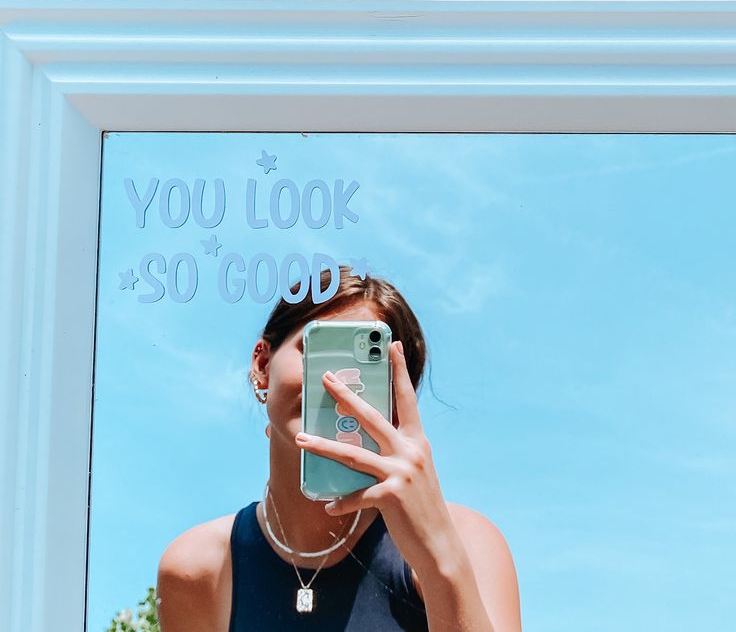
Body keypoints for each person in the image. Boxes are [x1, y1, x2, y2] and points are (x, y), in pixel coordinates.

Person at [156, 265, 522, 632]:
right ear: (263, 364)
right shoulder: (198, 567)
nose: (337, 384)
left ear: (398, 402)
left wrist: (439, 558)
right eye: (318, 351)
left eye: (365, 368)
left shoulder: (468, 542)